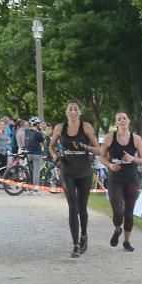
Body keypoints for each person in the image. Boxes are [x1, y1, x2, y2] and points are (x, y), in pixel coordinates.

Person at [48, 100, 101, 258]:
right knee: (73, 207)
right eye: (70, 109)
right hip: (67, 171)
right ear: (66, 112)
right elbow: (51, 146)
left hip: (84, 171)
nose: (73, 112)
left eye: (75, 109)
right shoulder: (59, 128)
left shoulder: (86, 127)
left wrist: (85, 147)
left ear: (79, 112)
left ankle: (84, 235)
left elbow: (99, 150)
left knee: (82, 208)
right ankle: (75, 245)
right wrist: (56, 157)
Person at [100, 111, 142, 252]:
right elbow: (101, 157)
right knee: (117, 210)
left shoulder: (136, 139)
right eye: (119, 119)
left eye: (124, 118)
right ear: (116, 123)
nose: (122, 121)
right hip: (115, 177)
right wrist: (110, 165)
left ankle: (127, 241)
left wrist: (133, 159)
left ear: (128, 121)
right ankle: (117, 229)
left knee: (129, 212)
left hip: (131, 177)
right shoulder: (110, 137)